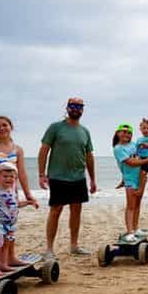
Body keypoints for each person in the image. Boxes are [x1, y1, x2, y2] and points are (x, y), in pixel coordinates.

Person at [37, 97, 97, 258]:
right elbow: (43, 151)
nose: (76, 108)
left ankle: (74, 246)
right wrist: (42, 174)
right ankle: (49, 249)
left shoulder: (85, 131)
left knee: (76, 211)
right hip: (58, 177)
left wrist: (92, 179)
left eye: (79, 106)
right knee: (56, 210)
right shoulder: (55, 128)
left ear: (82, 109)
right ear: (67, 108)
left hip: (78, 178)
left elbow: (89, 156)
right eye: (73, 105)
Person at [113, 123, 148, 242]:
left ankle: (136, 228)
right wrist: (147, 160)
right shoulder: (118, 148)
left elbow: (144, 152)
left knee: (137, 204)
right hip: (130, 179)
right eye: (124, 132)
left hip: (140, 178)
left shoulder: (133, 144)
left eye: (129, 132)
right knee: (131, 206)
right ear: (118, 133)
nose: (126, 134)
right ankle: (130, 231)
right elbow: (130, 162)